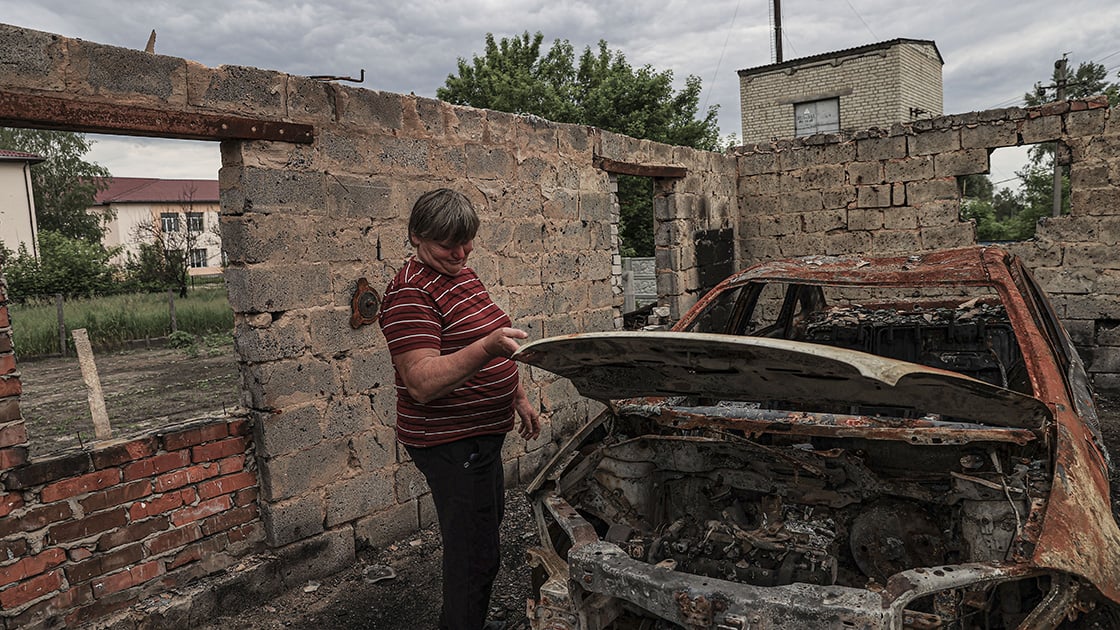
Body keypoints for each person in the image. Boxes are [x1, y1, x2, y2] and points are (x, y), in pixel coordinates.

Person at [378, 188, 541, 630]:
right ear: (416, 236)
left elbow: (494, 331)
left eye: (467, 241)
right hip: (451, 442)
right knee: (473, 557)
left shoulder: (460, 276)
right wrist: (486, 347)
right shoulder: (410, 294)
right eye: (450, 244)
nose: (462, 252)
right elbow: (422, 383)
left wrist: (517, 396)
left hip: (479, 437)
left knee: (484, 540)